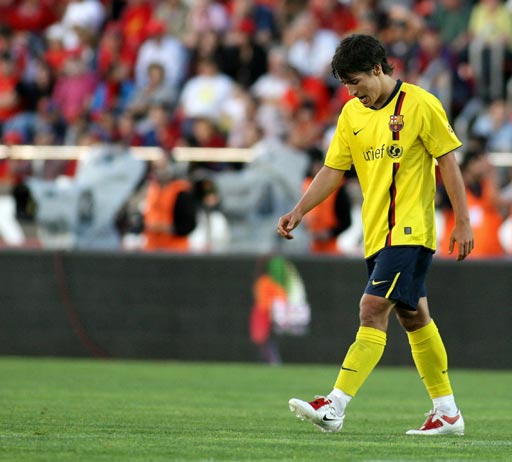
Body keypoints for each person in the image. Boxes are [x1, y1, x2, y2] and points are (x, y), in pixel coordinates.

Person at [277, 34, 474, 436]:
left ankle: (335, 404)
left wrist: (463, 220)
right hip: (376, 235)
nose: (352, 92)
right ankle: (447, 411)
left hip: (411, 231)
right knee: (413, 316)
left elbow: (448, 163)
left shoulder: (421, 104)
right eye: (346, 85)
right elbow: (334, 169)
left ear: (378, 70)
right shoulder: (352, 114)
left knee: (371, 308)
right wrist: (300, 210)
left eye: (356, 82)